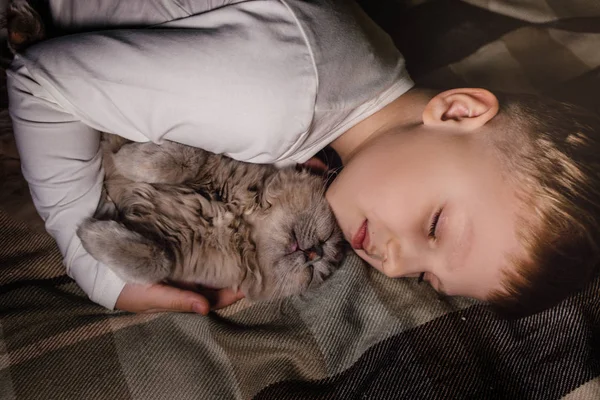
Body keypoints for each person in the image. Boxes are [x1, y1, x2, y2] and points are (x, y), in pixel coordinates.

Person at [6, 0, 600, 318]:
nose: (392, 265)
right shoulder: (271, 105)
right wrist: (88, 260)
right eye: (435, 227)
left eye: (424, 276)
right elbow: (38, 83)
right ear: (458, 112)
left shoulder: (363, 67)